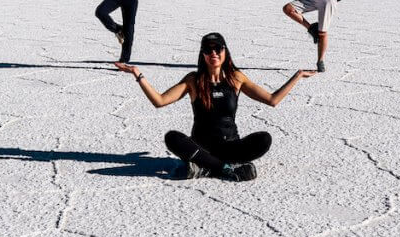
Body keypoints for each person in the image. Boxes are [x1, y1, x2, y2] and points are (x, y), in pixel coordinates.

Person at [115, 32, 315, 181]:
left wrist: (296, 77)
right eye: (208, 50)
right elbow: (159, 101)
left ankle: (204, 168)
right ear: (202, 55)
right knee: (172, 137)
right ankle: (226, 170)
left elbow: (272, 100)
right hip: (200, 148)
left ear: (225, 52)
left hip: (230, 146)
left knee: (264, 139)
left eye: (218, 49)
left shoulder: (236, 79)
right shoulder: (194, 80)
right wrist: (137, 74)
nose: (214, 53)